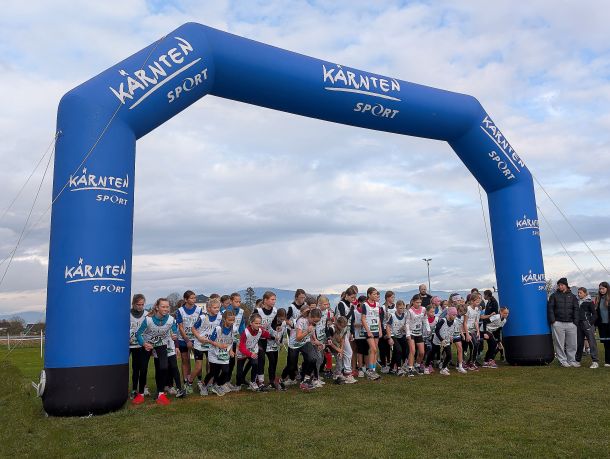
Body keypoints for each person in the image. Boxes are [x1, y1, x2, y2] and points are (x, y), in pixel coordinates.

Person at [136, 298, 178, 405]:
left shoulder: (171, 319)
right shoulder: (148, 320)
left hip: (161, 344)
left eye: (167, 307)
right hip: (148, 345)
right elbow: (138, 334)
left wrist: (174, 335)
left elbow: (174, 331)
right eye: (163, 306)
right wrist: (144, 343)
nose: (166, 309)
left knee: (164, 367)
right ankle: (140, 394)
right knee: (143, 369)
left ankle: (161, 394)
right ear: (157, 307)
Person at [192, 298, 222, 395]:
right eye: (215, 307)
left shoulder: (220, 317)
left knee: (211, 366)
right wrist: (199, 337)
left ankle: (208, 385)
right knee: (198, 367)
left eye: (218, 307)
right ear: (208, 308)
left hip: (211, 345)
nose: (217, 309)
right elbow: (193, 328)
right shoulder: (203, 317)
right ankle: (188, 383)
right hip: (199, 345)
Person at [175, 290, 203, 393]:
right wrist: (187, 340)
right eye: (191, 298)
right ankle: (186, 382)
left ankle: (199, 381)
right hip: (183, 339)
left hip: (196, 339)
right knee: (185, 360)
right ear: (186, 299)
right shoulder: (180, 310)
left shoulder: (199, 310)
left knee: (198, 361)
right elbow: (181, 327)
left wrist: (197, 338)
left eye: (195, 298)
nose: (194, 300)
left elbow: (201, 325)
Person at [547, 277, 579, 367]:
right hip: (558, 323)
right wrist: (553, 321)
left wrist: (575, 322)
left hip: (571, 324)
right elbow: (550, 309)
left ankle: (572, 360)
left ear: (566, 285)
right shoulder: (554, 296)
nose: (560, 286)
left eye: (562, 285)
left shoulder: (573, 296)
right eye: (559, 285)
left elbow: (576, 309)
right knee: (559, 344)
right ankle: (563, 361)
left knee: (572, 344)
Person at [204, 310, 236, 396]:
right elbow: (210, 340)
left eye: (233, 320)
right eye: (230, 320)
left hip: (224, 354)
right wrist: (219, 345)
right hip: (214, 353)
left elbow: (231, 341)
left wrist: (231, 350)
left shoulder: (234, 329)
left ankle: (217, 385)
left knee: (226, 371)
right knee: (213, 372)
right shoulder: (218, 329)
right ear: (224, 319)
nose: (232, 322)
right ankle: (204, 385)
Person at [236, 313, 271, 391]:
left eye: (259, 323)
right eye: (256, 323)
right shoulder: (245, 332)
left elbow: (266, 334)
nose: (258, 325)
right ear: (251, 323)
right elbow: (241, 347)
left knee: (255, 364)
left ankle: (253, 382)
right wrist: (249, 354)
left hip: (252, 351)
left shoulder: (260, 330)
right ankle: (238, 384)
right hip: (243, 352)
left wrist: (274, 337)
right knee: (239, 373)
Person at [281, 289, 307, 385]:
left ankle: (300, 374)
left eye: (304, 297)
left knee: (306, 355)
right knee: (292, 357)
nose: (303, 299)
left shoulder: (305, 305)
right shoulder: (292, 307)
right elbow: (286, 319)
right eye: (301, 297)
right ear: (296, 297)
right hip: (293, 333)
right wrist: (293, 325)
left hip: (303, 333)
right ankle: (289, 376)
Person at [221, 292, 245, 390]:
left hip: (234, 340)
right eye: (236, 301)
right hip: (224, 341)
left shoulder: (241, 312)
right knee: (224, 362)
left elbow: (241, 326)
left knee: (231, 362)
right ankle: (221, 383)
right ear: (231, 301)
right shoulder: (225, 311)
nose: (238, 303)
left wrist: (243, 338)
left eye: (239, 301)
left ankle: (227, 381)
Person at [253, 291, 277, 386]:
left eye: (275, 299)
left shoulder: (274, 311)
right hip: (257, 339)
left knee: (272, 359)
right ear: (265, 300)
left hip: (267, 339)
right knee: (261, 359)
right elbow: (251, 325)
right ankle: (260, 381)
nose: (274, 301)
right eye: (272, 299)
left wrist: (276, 330)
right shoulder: (258, 311)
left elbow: (274, 325)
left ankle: (271, 381)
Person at [129, 294, 148, 403]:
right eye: (138, 304)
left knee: (139, 368)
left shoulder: (146, 314)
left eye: (142, 304)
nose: (140, 306)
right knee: (128, 368)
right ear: (133, 304)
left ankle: (139, 388)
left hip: (140, 345)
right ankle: (132, 389)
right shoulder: (127, 314)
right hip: (128, 345)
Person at [360, 287, 382, 380]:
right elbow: (363, 319)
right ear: (369, 295)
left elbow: (378, 318)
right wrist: (368, 331)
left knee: (375, 350)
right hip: (369, 330)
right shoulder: (365, 305)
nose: (376, 295)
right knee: (372, 349)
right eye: (374, 294)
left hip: (376, 329)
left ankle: (373, 370)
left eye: (376, 294)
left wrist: (380, 330)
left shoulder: (377, 304)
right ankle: (370, 370)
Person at [336, 286, 357, 379]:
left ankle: (342, 371)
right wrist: (351, 311)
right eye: (352, 297)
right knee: (348, 351)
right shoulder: (341, 304)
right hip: (340, 331)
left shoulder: (351, 305)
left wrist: (352, 332)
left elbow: (352, 320)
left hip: (347, 330)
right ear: (346, 295)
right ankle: (347, 372)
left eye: (354, 297)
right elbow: (344, 319)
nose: (353, 299)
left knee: (345, 352)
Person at [576, 287, 599, 368]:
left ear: (585, 293)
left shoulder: (589, 302)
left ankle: (595, 361)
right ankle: (577, 361)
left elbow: (595, 314)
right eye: (578, 293)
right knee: (579, 342)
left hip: (587, 324)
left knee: (592, 342)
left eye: (580, 293)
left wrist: (589, 323)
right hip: (579, 324)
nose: (579, 294)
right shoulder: (577, 302)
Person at [431, 307, 457, 376]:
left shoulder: (454, 322)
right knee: (432, 353)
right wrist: (441, 339)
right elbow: (436, 331)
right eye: (453, 315)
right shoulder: (443, 321)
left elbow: (452, 330)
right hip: (437, 340)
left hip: (446, 341)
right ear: (449, 314)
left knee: (449, 355)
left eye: (455, 315)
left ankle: (443, 368)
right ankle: (427, 365)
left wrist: (451, 337)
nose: (455, 316)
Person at [385, 300, 409, 375]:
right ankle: (399, 369)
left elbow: (407, 324)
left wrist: (404, 328)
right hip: (393, 335)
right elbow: (388, 326)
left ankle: (392, 368)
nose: (402, 310)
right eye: (400, 308)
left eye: (403, 308)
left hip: (401, 335)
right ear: (396, 307)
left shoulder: (405, 315)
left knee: (405, 350)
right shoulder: (392, 315)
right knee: (398, 350)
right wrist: (389, 338)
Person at [406, 294, 427, 376]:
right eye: (417, 302)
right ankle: (410, 369)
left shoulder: (423, 309)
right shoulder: (410, 311)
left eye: (420, 302)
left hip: (419, 333)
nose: (419, 304)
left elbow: (425, 319)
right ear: (413, 302)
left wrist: (427, 328)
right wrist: (408, 334)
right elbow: (407, 323)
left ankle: (417, 365)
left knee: (422, 352)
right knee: (412, 351)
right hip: (411, 333)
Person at [464, 293, 481, 371]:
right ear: (471, 301)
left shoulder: (477, 309)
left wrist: (478, 331)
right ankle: (471, 363)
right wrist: (467, 334)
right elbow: (464, 322)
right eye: (476, 302)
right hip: (467, 330)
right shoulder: (468, 309)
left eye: (479, 301)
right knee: (475, 344)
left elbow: (476, 321)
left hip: (473, 330)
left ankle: (471, 362)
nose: (478, 303)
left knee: (476, 345)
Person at [594, 282, 610, 367]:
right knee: (606, 343)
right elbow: (597, 313)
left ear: (607, 288)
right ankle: (607, 361)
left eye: (603, 288)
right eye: (600, 289)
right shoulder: (598, 299)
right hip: (602, 325)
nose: (601, 290)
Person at [379, 291, 395, 373]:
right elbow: (381, 321)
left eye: (394, 297)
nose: (393, 299)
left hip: (393, 330)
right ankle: (383, 364)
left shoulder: (395, 307)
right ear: (387, 298)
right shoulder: (383, 308)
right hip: (384, 330)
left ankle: (389, 363)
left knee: (390, 348)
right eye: (392, 297)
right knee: (383, 348)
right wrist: (383, 333)